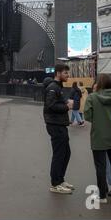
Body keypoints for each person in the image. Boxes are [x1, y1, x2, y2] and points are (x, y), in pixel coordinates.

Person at [84, 74, 111, 204]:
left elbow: (87, 115)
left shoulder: (92, 97)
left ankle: (102, 196)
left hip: (98, 137)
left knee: (100, 167)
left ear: (99, 83)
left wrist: (97, 121)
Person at [43, 64, 74, 194]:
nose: (68, 75)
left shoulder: (58, 87)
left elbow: (56, 103)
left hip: (60, 124)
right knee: (59, 154)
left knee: (66, 153)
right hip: (55, 125)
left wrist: (65, 103)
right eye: (66, 73)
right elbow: (51, 106)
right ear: (58, 73)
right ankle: (55, 184)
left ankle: (60, 180)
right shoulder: (53, 87)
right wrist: (67, 107)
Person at [91, 82, 111, 197]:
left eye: (96, 89)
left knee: (106, 162)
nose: (94, 91)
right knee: (106, 162)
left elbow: (88, 116)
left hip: (103, 135)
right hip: (110, 134)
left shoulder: (96, 100)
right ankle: (106, 185)